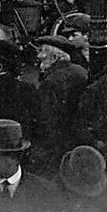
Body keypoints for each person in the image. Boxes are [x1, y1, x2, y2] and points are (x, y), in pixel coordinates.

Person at [33, 35, 90, 170]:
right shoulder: (81, 72)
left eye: (42, 52)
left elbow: (48, 119)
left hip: (58, 144)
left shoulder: (50, 82)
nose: (39, 56)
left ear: (54, 57)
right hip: (80, 138)